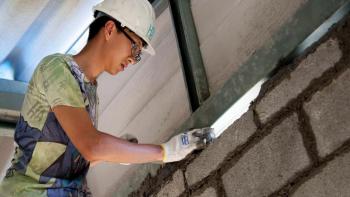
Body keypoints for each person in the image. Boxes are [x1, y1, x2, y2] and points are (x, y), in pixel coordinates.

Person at [0, 0, 213, 196]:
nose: (133, 59)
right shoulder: (58, 69)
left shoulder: (89, 91)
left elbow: (71, 161)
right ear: (110, 29)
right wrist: (164, 151)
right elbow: (91, 145)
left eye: (138, 54)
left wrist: (121, 150)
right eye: (134, 47)